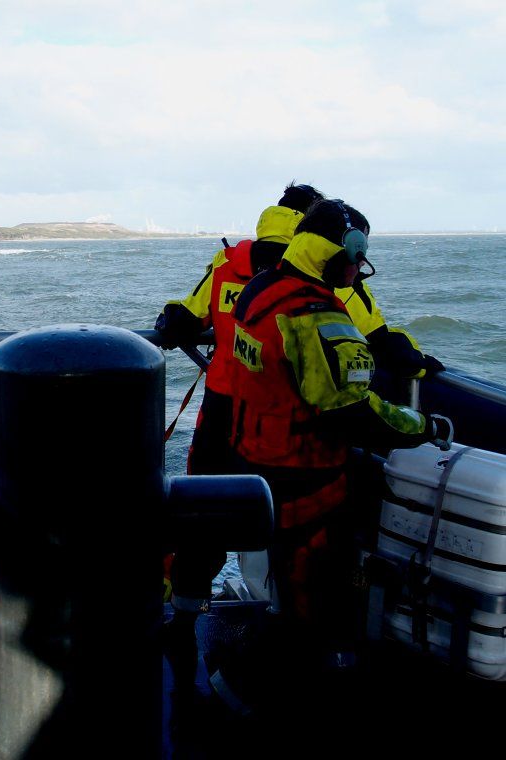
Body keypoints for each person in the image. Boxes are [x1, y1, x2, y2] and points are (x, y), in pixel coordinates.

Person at [153, 185, 443, 697]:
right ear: (336, 252)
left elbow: (201, 321)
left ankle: (179, 617)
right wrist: (426, 426)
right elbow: (352, 408)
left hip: (239, 445)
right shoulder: (317, 314)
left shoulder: (254, 286)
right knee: (310, 586)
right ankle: (295, 685)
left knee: (206, 526)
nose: (359, 270)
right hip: (303, 477)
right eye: (356, 258)